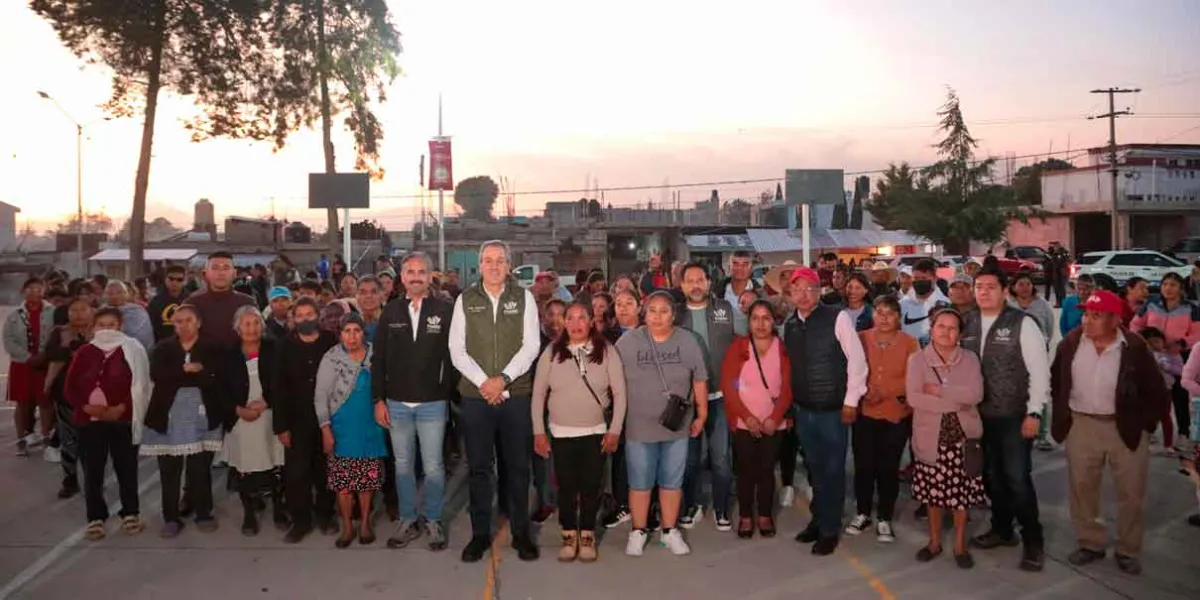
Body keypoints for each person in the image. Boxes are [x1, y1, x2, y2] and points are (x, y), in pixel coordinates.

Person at [1051, 290, 1168, 575]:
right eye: (1086, 314)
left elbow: (1157, 391)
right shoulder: (1071, 343)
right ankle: (1091, 542)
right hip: (1082, 425)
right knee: (1082, 489)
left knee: (1131, 492)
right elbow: (1056, 379)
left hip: (1124, 427)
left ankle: (1128, 549)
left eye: (1096, 315)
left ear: (1115, 319)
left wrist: (1146, 425)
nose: (1087, 321)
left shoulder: (1134, 347)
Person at [450, 240, 543, 563]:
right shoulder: (465, 299)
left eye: (499, 261)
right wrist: (484, 384)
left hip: (515, 396)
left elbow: (531, 346)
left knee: (517, 468)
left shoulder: (524, 298)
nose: (493, 266)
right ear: (480, 265)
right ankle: (479, 535)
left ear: (508, 265)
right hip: (477, 399)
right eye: (487, 261)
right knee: (478, 468)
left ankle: (521, 534)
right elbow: (456, 351)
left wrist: (502, 380)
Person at [962, 266, 1050, 571]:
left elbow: (1040, 372)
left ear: (1004, 291)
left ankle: (1033, 541)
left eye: (990, 287)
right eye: (979, 287)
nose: (983, 292)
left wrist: (1035, 412)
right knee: (991, 477)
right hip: (979, 416)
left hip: (1014, 417)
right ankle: (1002, 530)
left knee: (1017, 479)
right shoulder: (969, 322)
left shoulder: (1022, 323)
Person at [532, 302, 626, 562]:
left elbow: (619, 392)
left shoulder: (606, 351)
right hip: (561, 433)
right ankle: (569, 533)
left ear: (591, 322)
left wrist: (615, 430)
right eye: (570, 318)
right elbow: (538, 393)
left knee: (590, 486)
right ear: (563, 323)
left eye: (581, 318)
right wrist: (539, 431)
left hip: (595, 431)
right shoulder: (551, 352)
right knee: (565, 487)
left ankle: (587, 535)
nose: (575, 324)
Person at [615, 291, 708, 556]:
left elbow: (699, 378)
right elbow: (612, 379)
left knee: (671, 481)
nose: (657, 316)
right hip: (638, 426)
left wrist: (701, 414)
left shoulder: (688, 341)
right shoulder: (628, 341)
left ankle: (669, 530)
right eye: (652, 311)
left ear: (673, 314)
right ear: (644, 313)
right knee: (640, 481)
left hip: (676, 426)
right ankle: (638, 530)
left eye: (664, 311)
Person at [374, 252, 455, 551]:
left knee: (433, 466)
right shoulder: (391, 310)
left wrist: (446, 390)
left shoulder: (445, 310)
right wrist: (378, 400)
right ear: (402, 277)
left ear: (430, 276)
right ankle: (408, 519)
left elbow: (455, 356)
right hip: (396, 404)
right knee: (404, 465)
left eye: (422, 271)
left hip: (433, 403)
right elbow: (379, 358)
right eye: (411, 271)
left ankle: (433, 519)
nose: (417, 276)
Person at [785, 267, 868, 555]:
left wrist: (851, 401)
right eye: (798, 289)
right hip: (804, 410)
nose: (804, 294)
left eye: (810, 288)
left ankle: (830, 530)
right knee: (814, 470)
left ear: (819, 291)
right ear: (791, 293)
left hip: (834, 411)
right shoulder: (790, 325)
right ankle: (818, 520)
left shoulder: (838, 317)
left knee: (833, 471)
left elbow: (857, 361)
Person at [907, 308, 986, 569]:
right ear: (931, 329)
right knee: (933, 497)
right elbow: (915, 398)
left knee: (961, 498)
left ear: (960, 334)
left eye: (952, 328)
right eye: (941, 326)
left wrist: (940, 391)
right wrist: (955, 401)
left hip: (962, 441)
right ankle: (934, 542)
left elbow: (975, 395)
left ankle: (960, 545)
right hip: (931, 440)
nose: (946, 332)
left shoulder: (970, 359)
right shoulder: (918, 361)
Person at [63, 307, 150, 541]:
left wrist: (121, 408)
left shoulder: (133, 349)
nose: (106, 329)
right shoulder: (84, 352)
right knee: (93, 471)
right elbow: (70, 388)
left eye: (112, 324)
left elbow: (141, 386)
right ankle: (95, 517)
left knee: (126, 469)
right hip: (89, 422)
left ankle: (130, 512)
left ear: (120, 326)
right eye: (101, 325)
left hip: (121, 420)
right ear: (93, 328)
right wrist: (87, 407)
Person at [142, 304, 229, 537]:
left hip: (203, 416)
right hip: (167, 416)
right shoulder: (162, 348)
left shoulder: (213, 347)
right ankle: (171, 517)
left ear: (198, 322)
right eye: (178, 321)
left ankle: (204, 513)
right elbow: (158, 375)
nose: (183, 325)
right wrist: (188, 371)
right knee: (169, 470)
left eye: (188, 320)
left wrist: (197, 373)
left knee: (200, 468)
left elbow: (217, 377)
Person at [847, 295, 919, 543]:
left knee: (888, 468)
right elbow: (852, 369)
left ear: (898, 316)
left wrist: (885, 391)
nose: (884, 318)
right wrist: (865, 391)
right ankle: (863, 512)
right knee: (864, 465)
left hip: (895, 415)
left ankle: (885, 518)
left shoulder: (910, 343)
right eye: (879, 312)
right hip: (864, 412)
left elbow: (914, 377)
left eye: (890, 313)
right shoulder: (861, 338)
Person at [314, 313, 387, 548]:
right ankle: (347, 526)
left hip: (369, 425)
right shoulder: (332, 358)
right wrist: (325, 429)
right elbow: (320, 396)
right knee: (343, 483)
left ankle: (364, 523)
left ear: (363, 332)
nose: (352, 336)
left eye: (356, 330)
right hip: (341, 426)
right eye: (347, 331)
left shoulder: (376, 354)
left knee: (366, 481)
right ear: (340, 334)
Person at [721, 300, 791, 538]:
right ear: (748, 322)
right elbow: (730, 386)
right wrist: (747, 417)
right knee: (746, 471)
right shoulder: (738, 347)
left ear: (774, 321)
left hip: (774, 422)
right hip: (744, 422)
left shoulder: (781, 348)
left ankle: (764, 514)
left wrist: (775, 417)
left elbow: (787, 388)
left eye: (766, 318)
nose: (761, 324)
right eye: (755, 318)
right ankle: (745, 515)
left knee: (766, 470)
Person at [274, 297, 339, 543]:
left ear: (317, 316)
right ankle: (300, 521)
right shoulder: (284, 346)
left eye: (309, 314)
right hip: (296, 420)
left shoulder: (329, 342)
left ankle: (325, 515)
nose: (305, 319)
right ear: (294, 318)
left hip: (327, 419)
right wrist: (281, 426)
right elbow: (278, 387)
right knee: (296, 473)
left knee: (325, 470)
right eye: (299, 315)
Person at [677, 263, 736, 532]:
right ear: (682, 285)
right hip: (687, 400)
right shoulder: (675, 314)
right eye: (690, 281)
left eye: (700, 279)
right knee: (691, 459)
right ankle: (693, 504)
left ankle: (722, 507)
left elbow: (752, 334)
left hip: (720, 396)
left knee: (721, 456)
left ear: (709, 283)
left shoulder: (724, 309)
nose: (696, 285)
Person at [223, 305, 287, 536]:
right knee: (245, 468)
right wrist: (238, 410)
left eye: (256, 323)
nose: (252, 328)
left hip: (270, 415)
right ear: (238, 328)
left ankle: (279, 508)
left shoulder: (274, 348)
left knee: (276, 463)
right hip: (241, 417)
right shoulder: (229, 354)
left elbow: (283, 382)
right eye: (246, 324)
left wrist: (267, 402)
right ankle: (249, 512)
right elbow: (219, 389)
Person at [1131, 272, 1200, 446]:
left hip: (1178, 357)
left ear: (1181, 288)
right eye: (1165, 284)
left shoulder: (1191, 308)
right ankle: (1150, 428)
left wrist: (1182, 344)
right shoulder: (1151, 304)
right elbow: (1136, 324)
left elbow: (1197, 333)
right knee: (1150, 394)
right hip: (1152, 356)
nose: (1168, 288)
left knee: (1180, 395)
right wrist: (1143, 340)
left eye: (1173, 285)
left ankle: (1183, 431)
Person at [42, 297, 96, 498]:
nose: (79, 314)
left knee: (93, 441)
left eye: (83, 309)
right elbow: (51, 354)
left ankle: (93, 481)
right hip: (66, 395)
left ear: (92, 311)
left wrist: (74, 348)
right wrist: (71, 348)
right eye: (74, 310)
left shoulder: (100, 331)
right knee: (69, 440)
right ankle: (70, 480)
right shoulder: (59, 332)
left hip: (95, 396)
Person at [5, 277, 56, 458]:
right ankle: (22, 439)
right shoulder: (15, 315)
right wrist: (27, 357)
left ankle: (46, 437)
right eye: (30, 289)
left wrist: (44, 355)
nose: (34, 292)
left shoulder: (52, 312)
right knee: (23, 403)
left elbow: (56, 335)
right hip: (22, 365)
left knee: (45, 401)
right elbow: (8, 341)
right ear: (23, 291)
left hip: (44, 363)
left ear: (44, 291)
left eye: (38, 289)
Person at [187, 252, 258, 349]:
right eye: (215, 268)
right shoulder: (192, 303)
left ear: (234, 273)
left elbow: (257, 338)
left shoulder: (247, 303)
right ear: (205, 273)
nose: (221, 273)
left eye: (226, 268)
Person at [899, 259, 950, 347]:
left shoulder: (946, 305)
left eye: (924, 278)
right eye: (916, 278)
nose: (919, 281)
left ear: (934, 278)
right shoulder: (902, 304)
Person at [103, 281, 155, 350]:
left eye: (119, 292)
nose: (115, 296)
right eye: (110, 293)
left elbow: (141, 336)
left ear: (126, 294)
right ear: (104, 295)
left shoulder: (137, 311)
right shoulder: (100, 311)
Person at [1007, 272, 1055, 347]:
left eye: (1028, 284)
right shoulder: (1007, 305)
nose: (1025, 287)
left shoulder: (1042, 304)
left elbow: (1049, 327)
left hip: (1038, 345)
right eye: (1021, 284)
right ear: (1013, 288)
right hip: (1013, 348)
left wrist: (1044, 342)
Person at [148, 265, 189, 342]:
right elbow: (151, 327)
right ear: (165, 279)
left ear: (185, 281)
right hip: (162, 344)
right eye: (171, 278)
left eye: (179, 279)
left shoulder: (191, 300)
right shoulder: (155, 301)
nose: (174, 282)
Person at [1045, 242, 1070, 307]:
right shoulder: (1057, 253)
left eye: (1055, 246)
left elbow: (1059, 263)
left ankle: (1060, 303)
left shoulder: (1059, 253)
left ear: (1058, 246)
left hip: (1059, 273)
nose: (1054, 248)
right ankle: (1060, 303)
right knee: (1059, 289)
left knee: (1059, 289)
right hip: (1058, 273)